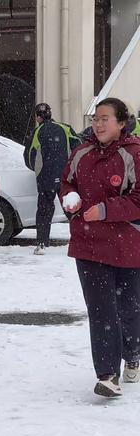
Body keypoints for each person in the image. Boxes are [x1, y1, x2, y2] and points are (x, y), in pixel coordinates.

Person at [61, 97, 140, 397]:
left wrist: (105, 210)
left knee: (129, 309)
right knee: (101, 311)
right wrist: (70, 200)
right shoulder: (81, 152)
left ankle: (133, 353)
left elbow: (138, 200)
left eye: (105, 118)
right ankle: (108, 375)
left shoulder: (135, 154)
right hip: (88, 244)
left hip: (128, 245)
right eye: (96, 118)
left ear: (121, 123)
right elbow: (66, 183)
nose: (99, 123)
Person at [24, 103, 80, 254]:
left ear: (37, 117)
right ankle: (81, 239)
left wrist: (37, 170)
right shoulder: (66, 128)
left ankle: (42, 244)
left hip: (45, 177)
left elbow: (29, 156)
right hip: (66, 177)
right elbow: (79, 148)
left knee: (44, 210)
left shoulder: (37, 132)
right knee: (71, 208)